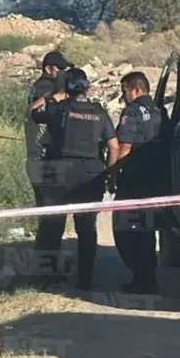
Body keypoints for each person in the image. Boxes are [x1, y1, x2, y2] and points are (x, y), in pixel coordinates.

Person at [29, 67, 119, 291]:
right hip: (90, 176)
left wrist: (53, 95)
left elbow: (32, 112)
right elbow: (113, 146)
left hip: (59, 174)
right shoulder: (99, 113)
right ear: (86, 87)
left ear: (66, 87)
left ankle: (47, 279)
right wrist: (109, 176)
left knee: (52, 227)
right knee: (86, 230)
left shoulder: (58, 109)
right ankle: (84, 281)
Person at [111, 71, 168, 293]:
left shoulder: (132, 111)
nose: (123, 96)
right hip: (157, 180)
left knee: (125, 228)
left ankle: (141, 276)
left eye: (124, 91)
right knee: (147, 229)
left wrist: (113, 173)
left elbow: (125, 146)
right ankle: (147, 277)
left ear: (135, 89)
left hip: (134, 179)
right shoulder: (161, 111)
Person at [24, 51, 71, 283]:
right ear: (50, 68)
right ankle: (46, 273)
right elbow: (37, 112)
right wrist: (59, 97)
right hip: (44, 162)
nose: (63, 74)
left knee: (51, 219)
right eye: (60, 70)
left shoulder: (42, 88)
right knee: (52, 220)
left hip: (40, 160)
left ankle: (47, 270)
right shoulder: (45, 89)